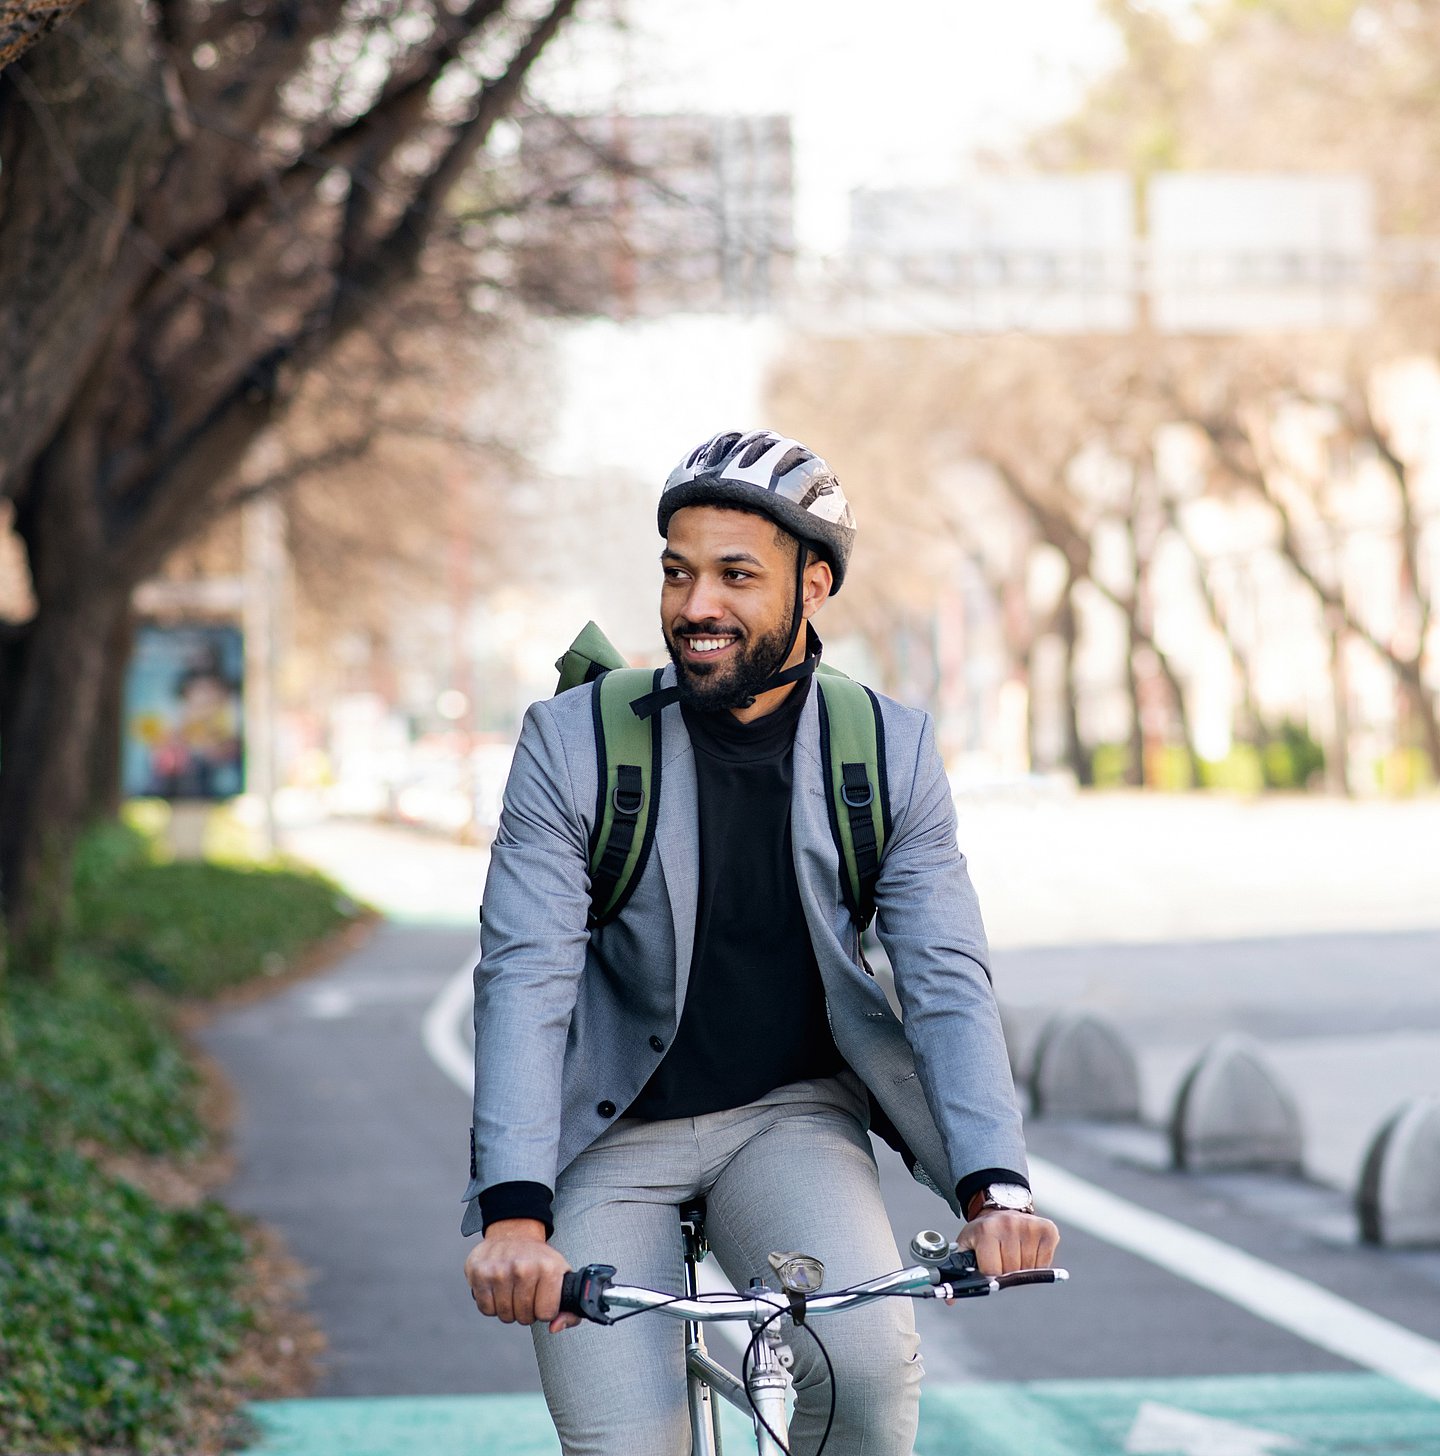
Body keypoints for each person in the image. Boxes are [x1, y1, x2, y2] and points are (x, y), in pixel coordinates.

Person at [463, 429, 1058, 1456]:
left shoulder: (887, 750)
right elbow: (525, 981)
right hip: (610, 1136)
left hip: (786, 1119)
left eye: (737, 576)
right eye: (679, 573)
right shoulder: (574, 745)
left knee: (867, 1378)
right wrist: (515, 1215)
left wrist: (994, 1190)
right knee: (624, 1445)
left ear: (813, 584)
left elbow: (947, 980)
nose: (698, 606)